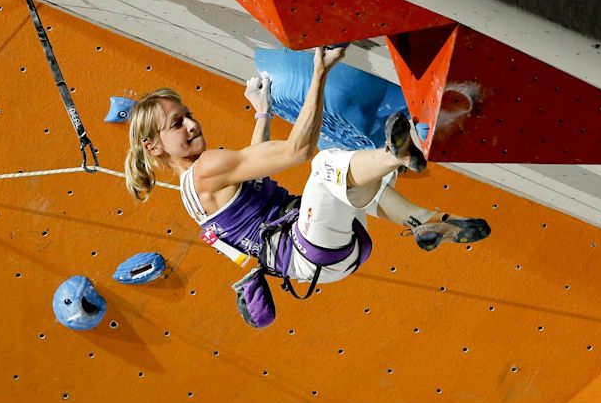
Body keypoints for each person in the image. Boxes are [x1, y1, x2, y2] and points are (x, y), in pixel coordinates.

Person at [123, 46, 490, 323]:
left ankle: (426, 221)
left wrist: (263, 111)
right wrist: (319, 72)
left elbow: (252, 163)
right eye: (176, 124)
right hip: (307, 246)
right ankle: (396, 154)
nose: (190, 124)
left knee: (349, 182)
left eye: (188, 115)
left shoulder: (192, 189)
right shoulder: (206, 168)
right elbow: (298, 150)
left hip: (322, 258)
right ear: (153, 146)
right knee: (325, 165)